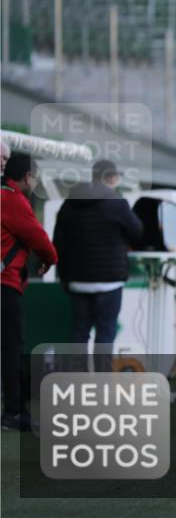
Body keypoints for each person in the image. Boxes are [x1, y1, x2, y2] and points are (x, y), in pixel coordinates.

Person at [53, 160, 143, 369]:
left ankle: (79, 386)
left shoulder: (69, 204)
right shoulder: (117, 204)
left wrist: (65, 278)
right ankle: (102, 389)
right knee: (105, 334)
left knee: (79, 332)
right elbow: (137, 233)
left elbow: (58, 243)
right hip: (109, 282)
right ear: (109, 178)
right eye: (115, 177)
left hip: (77, 281)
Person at [1, 152, 58, 431]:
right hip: (5, 285)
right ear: (27, 176)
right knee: (11, 348)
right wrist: (51, 260)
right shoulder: (13, 200)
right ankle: (13, 412)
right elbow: (39, 238)